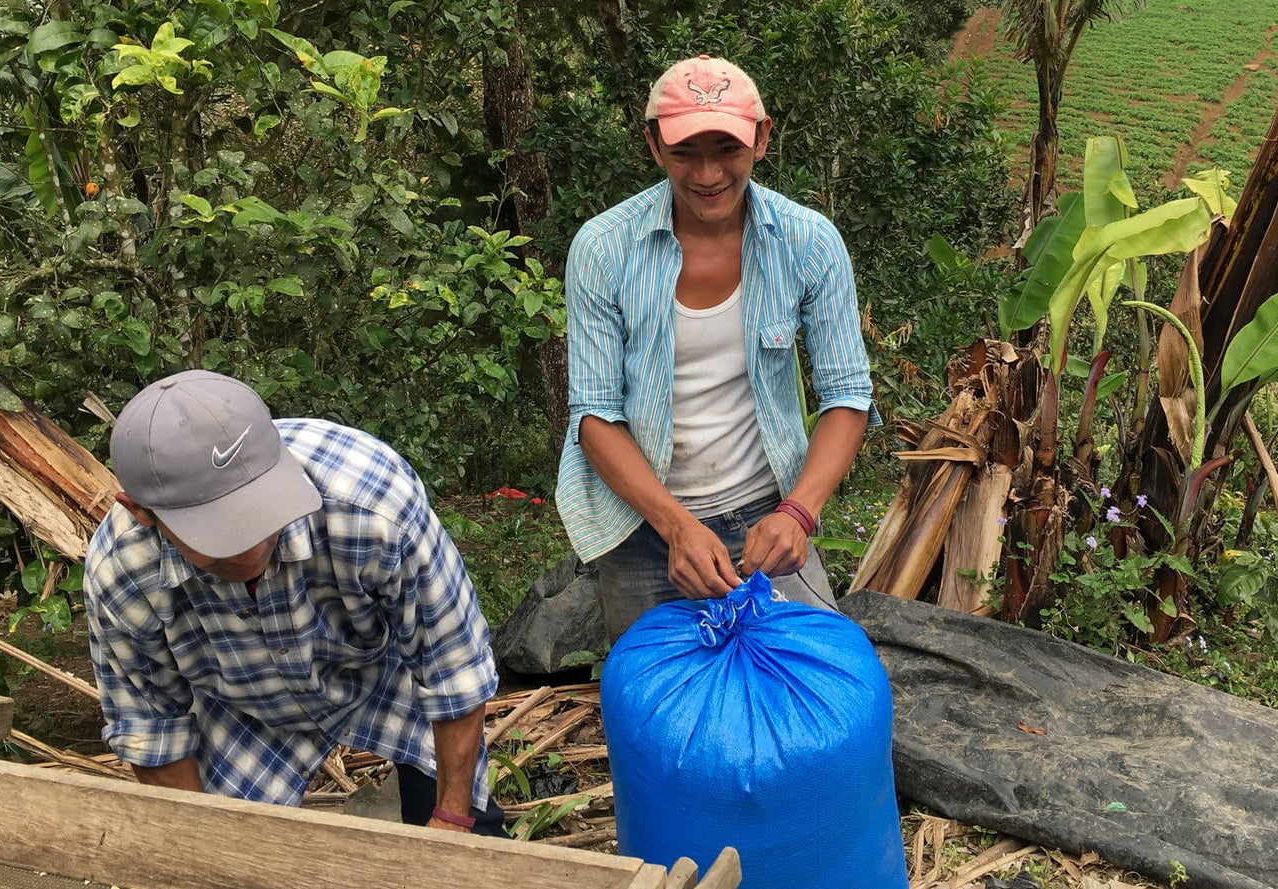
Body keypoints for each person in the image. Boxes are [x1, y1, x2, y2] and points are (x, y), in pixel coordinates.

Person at [83, 369, 504, 836]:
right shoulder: (121, 572)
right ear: (141, 512)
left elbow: (453, 669)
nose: (250, 545)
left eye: (261, 510)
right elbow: (153, 728)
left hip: (383, 667)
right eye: (220, 530)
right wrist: (207, 854)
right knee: (227, 860)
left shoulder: (373, 507)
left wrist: (450, 821)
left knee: (471, 840)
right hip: (240, 704)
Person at [557, 55, 879, 642]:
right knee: (659, 711)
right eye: (685, 152)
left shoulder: (808, 243)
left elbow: (847, 395)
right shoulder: (604, 249)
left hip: (767, 517)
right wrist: (677, 528)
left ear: (761, 138)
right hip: (641, 528)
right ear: (654, 146)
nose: (707, 174)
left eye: (726, 149)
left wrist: (798, 514)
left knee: (809, 691)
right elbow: (595, 414)